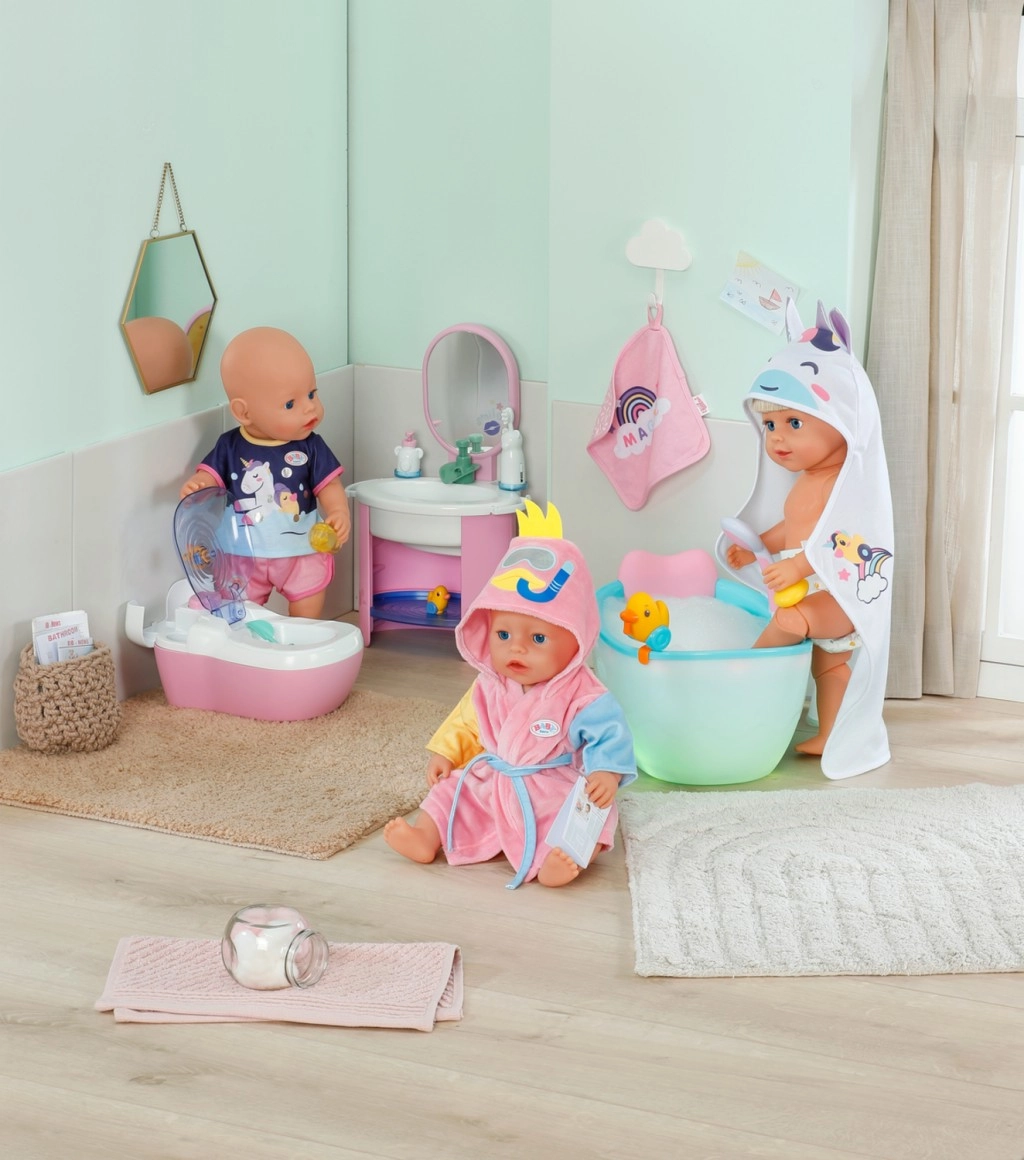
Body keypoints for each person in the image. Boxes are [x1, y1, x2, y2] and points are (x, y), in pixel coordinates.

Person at [384, 501, 637, 888]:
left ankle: (563, 859)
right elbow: (467, 723)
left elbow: (609, 733)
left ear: (576, 639)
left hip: (550, 783)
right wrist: (446, 753)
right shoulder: (490, 683)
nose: (516, 648)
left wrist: (606, 771)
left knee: (588, 815)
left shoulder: (582, 692)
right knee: (451, 792)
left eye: (538, 638)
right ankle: (426, 836)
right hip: (495, 778)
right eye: (503, 634)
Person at [717, 300, 894, 780]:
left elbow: (838, 542)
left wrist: (797, 567)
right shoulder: (807, 482)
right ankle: (830, 733)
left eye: (794, 424)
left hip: (838, 599)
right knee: (829, 669)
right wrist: (758, 544)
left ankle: (744, 677)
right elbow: (794, 529)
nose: (777, 438)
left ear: (843, 423)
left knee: (790, 620)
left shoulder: (847, 488)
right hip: (816, 593)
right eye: (770, 425)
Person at [180, 326, 350, 619]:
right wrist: (199, 484)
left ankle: (302, 634)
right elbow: (211, 478)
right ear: (243, 412)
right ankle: (249, 642)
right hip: (243, 555)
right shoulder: (229, 446)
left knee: (308, 602)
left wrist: (339, 512)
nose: (310, 408)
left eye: (312, 394)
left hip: (300, 548)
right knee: (239, 612)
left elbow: (329, 485)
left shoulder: (311, 446)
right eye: (290, 403)